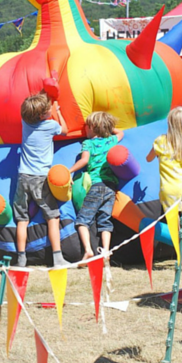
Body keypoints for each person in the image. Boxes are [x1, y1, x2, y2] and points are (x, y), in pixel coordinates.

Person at [147, 106, 182, 275]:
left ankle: (180, 259)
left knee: (174, 225)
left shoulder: (160, 141)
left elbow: (148, 158)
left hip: (168, 189)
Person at [15, 93, 69, 268]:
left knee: (22, 220)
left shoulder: (25, 124)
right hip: (40, 177)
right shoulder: (51, 125)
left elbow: (32, 108)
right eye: (47, 110)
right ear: (42, 115)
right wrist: (58, 112)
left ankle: (21, 258)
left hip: (23, 176)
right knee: (52, 217)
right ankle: (57, 257)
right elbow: (65, 130)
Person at [68, 112, 124, 261]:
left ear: (92, 127)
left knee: (82, 220)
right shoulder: (111, 140)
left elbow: (85, 160)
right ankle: (105, 251)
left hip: (97, 185)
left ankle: (88, 250)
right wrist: (106, 127)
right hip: (111, 187)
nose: (85, 129)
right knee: (105, 220)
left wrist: (69, 171)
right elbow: (120, 132)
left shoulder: (88, 143)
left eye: (86, 126)